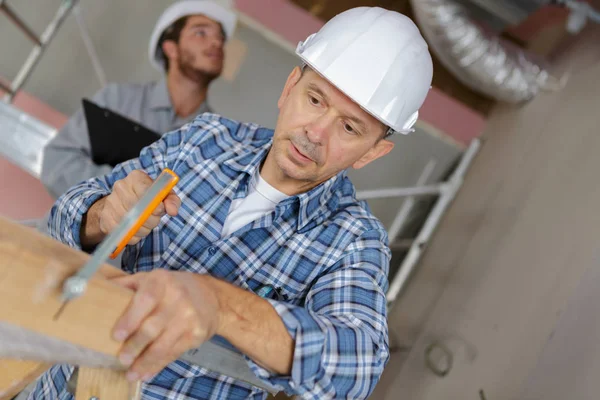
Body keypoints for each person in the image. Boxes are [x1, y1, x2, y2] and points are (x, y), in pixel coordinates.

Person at [33, 6, 433, 400]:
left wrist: (219, 305)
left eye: (348, 127)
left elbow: (356, 368)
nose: (315, 132)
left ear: (371, 153)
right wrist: (104, 213)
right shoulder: (205, 139)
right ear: (289, 87)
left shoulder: (354, 241)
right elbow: (65, 213)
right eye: (315, 100)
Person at [40, 0, 237, 198]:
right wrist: (124, 192)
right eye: (201, 33)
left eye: (220, 37)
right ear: (171, 49)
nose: (217, 42)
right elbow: (57, 161)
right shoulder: (117, 99)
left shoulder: (216, 137)